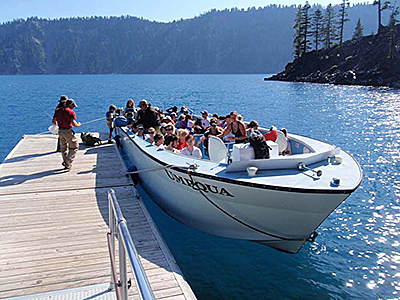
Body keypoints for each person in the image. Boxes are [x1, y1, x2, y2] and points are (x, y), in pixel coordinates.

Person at [52, 99, 81, 171]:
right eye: (73, 106)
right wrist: (79, 124)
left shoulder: (58, 110)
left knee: (63, 148)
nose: (73, 107)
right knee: (74, 147)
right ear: (70, 104)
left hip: (60, 131)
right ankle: (68, 161)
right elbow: (75, 124)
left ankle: (67, 165)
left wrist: (58, 124)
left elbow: (53, 121)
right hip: (68, 131)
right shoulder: (70, 112)